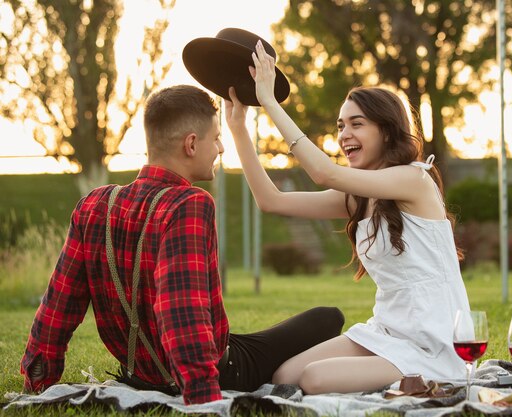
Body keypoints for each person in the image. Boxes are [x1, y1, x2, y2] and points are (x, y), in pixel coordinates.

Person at [20, 84, 344, 405]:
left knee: (261, 336)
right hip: (214, 372)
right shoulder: (188, 203)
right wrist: (204, 397)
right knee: (328, 318)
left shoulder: (94, 204)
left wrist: (39, 377)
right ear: (191, 144)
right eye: (216, 138)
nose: (220, 148)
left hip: (138, 371)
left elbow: (59, 304)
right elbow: (180, 309)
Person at [223, 41, 472, 395]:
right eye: (341, 126)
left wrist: (271, 103)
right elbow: (271, 201)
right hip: (387, 331)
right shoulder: (358, 196)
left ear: (386, 131)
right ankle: (402, 382)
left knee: (314, 379)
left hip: (432, 340)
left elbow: (325, 173)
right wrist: (238, 130)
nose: (344, 135)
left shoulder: (413, 179)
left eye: (357, 124)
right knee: (286, 375)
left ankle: (429, 381)